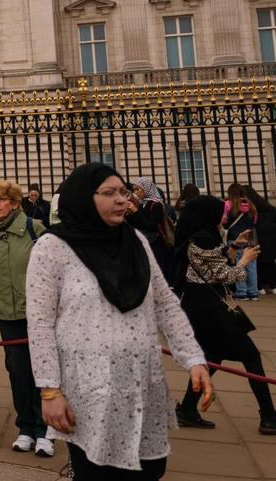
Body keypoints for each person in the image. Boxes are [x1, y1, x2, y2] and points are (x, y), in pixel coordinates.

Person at [27, 163, 212, 480]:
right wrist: (49, 392)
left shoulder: (136, 239)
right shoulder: (51, 247)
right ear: (85, 197)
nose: (122, 200)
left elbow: (164, 301)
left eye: (124, 192)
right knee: (97, 471)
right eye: (109, 193)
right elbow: (40, 324)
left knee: (151, 469)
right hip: (90, 388)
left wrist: (193, 358)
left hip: (142, 382)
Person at [173, 194, 276, 434]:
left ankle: (187, 409)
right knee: (250, 356)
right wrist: (245, 261)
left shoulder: (201, 236)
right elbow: (224, 275)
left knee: (213, 357)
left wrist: (235, 245)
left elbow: (212, 264)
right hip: (208, 308)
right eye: (221, 212)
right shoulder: (203, 239)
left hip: (200, 305)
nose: (225, 215)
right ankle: (269, 417)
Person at [0, 181, 51, 457]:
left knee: (43, 371)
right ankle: (25, 427)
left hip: (37, 312)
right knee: (18, 371)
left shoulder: (36, 229)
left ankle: (45, 430)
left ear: (14, 202)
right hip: (7, 313)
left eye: (1, 199)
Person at [224, 183, 260, 300]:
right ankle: (253, 292)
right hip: (249, 239)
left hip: (235, 239)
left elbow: (224, 220)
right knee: (251, 267)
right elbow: (254, 222)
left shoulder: (228, 204)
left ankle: (241, 292)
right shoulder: (251, 205)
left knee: (239, 265)